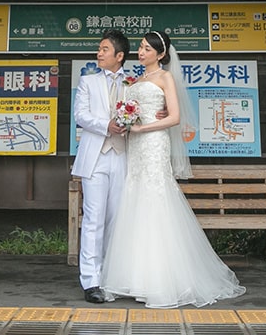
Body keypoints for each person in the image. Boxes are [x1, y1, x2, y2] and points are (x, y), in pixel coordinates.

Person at [100, 30, 245, 308]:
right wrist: (127, 118)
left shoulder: (165, 77)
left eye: (146, 49)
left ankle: (161, 279)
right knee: (135, 200)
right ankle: (134, 277)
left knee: (156, 199)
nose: (141, 53)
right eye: (140, 48)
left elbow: (175, 117)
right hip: (136, 146)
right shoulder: (136, 79)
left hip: (153, 142)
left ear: (161, 54)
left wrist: (143, 126)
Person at [71, 29, 132, 303]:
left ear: (119, 56)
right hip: (95, 156)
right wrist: (105, 125)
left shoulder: (134, 83)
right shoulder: (88, 81)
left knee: (116, 219)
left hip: (123, 156)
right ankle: (91, 281)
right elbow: (80, 116)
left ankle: (112, 276)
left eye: (104, 49)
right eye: (99, 48)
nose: (99, 53)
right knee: (93, 220)